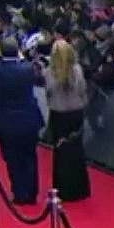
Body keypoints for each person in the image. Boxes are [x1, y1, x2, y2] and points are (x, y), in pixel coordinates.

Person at [0, 36, 45, 205]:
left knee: (12, 158)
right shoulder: (28, 68)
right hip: (28, 118)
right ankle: (31, 193)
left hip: (5, 121)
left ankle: (19, 192)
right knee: (30, 157)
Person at [44, 40, 90, 202]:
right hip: (76, 114)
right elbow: (83, 90)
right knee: (76, 150)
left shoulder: (49, 72)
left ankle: (63, 188)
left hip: (59, 115)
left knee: (61, 152)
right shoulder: (77, 70)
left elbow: (48, 92)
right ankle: (79, 188)